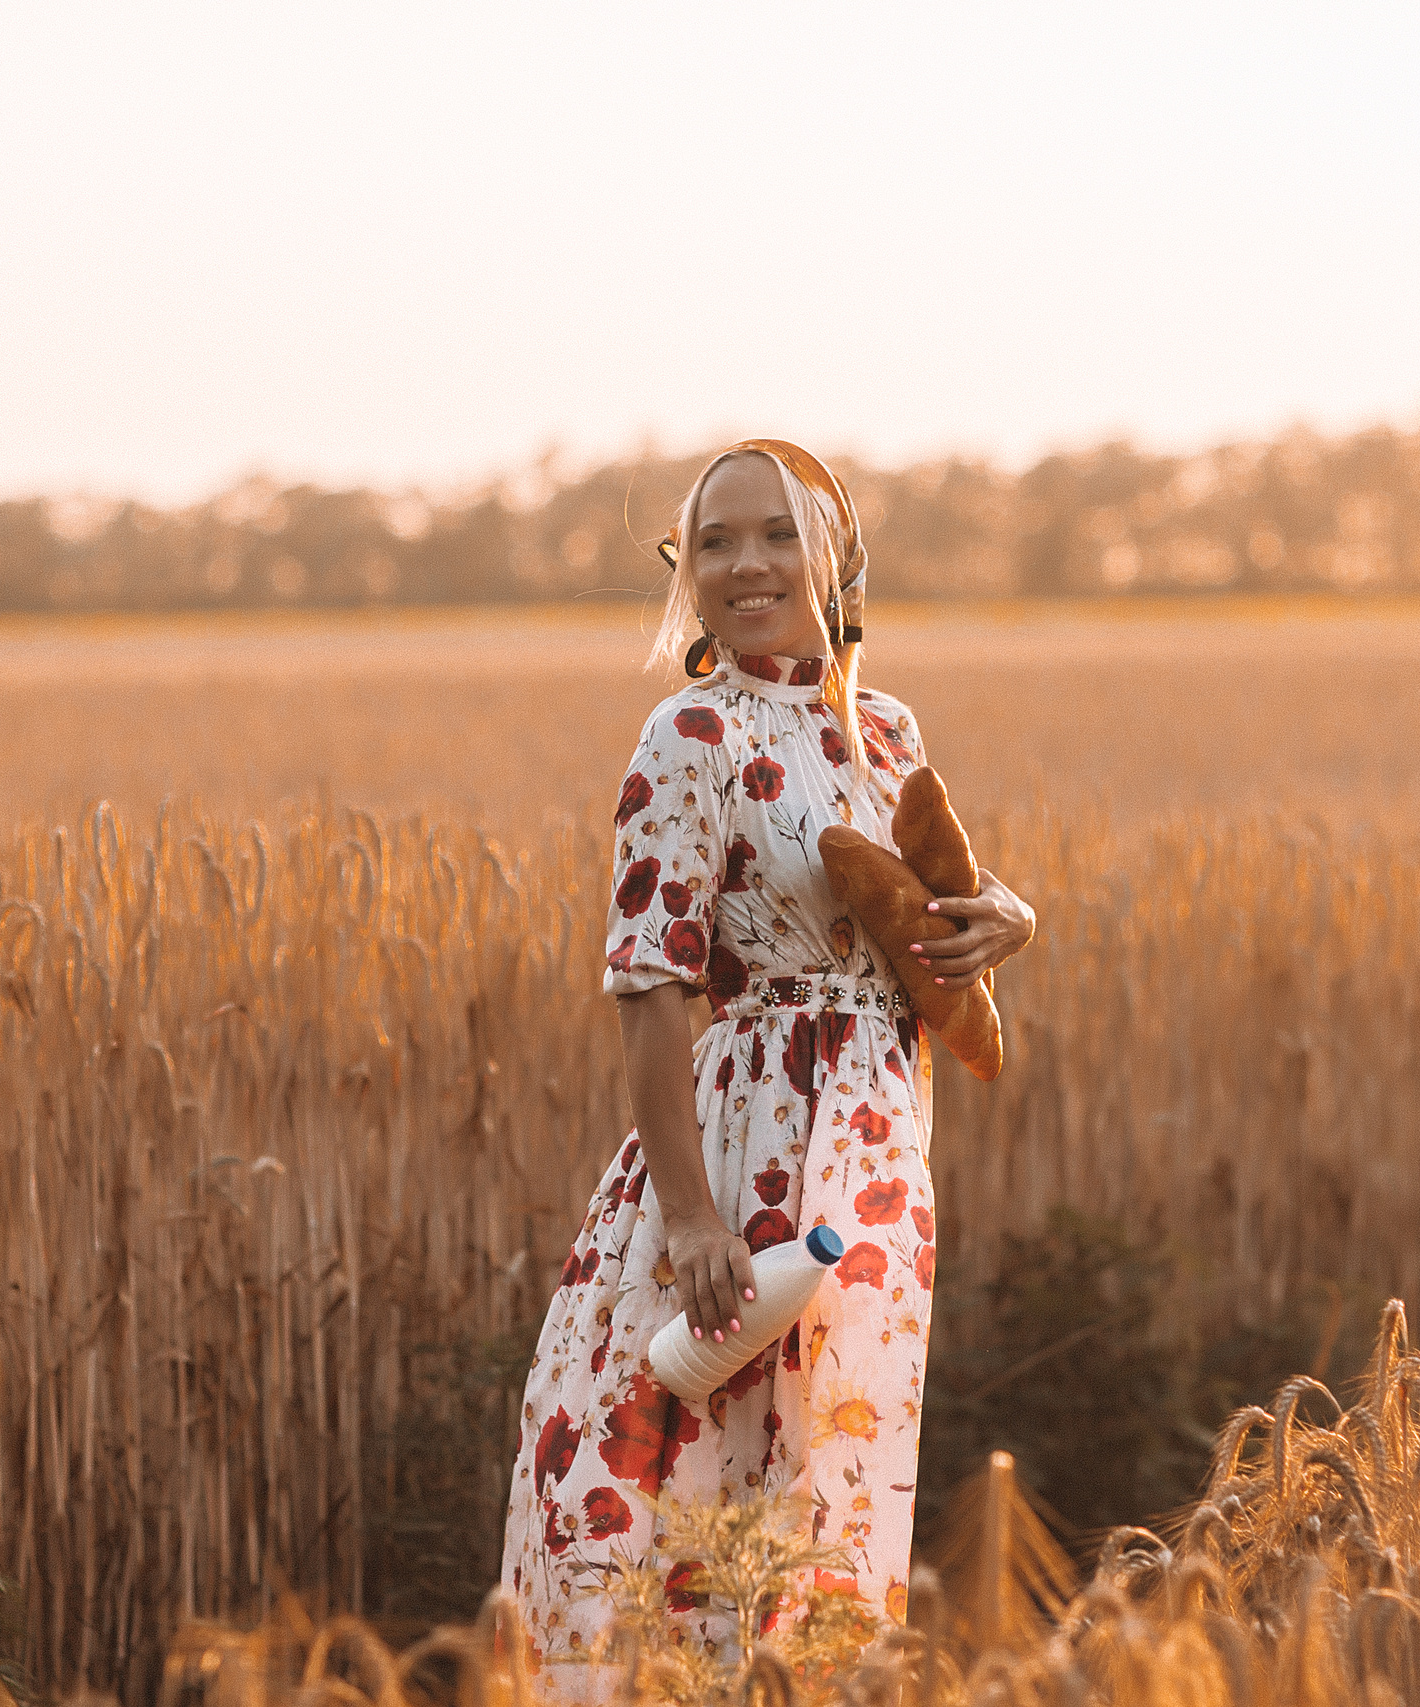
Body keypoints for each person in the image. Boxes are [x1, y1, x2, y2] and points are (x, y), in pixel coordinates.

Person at [498, 440, 1037, 1680]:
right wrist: (689, 1219)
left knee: (823, 1483)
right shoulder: (688, 730)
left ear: (836, 554)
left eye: (777, 535)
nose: (746, 565)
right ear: (684, 575)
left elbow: (918, 920)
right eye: (716, 543)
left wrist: (1010, 919)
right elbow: (649, 989)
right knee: (677, 1490)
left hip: (875, 1155)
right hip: (740, 1149)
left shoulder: (890, 731)